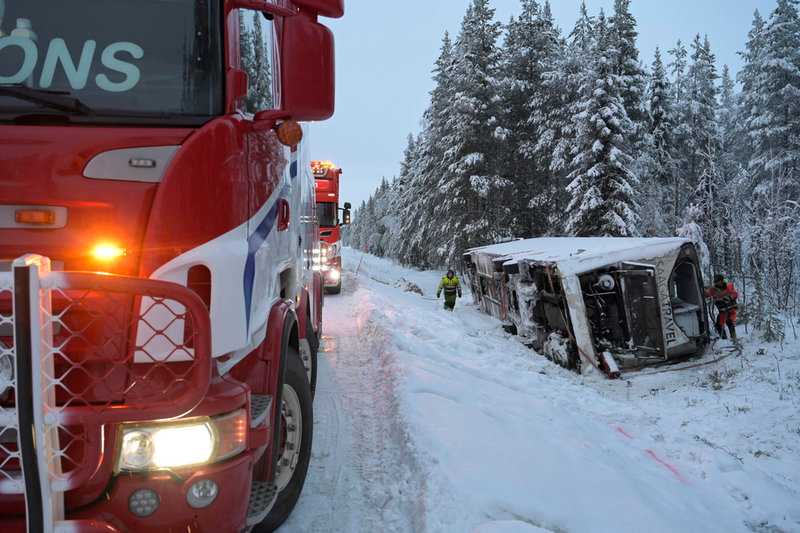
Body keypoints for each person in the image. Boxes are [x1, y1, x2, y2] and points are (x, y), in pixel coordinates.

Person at [707, 273, 739, 343]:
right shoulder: (713, 289)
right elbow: (706, 293)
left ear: (722, 281)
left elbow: (735, 294)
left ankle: (734, 339)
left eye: (718, 282)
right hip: (722, 311)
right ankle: (724, 340)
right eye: (716, 282)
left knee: (729, 321)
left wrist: (729, 297)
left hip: (731, 309)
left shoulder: (729, 286)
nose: (717, 283)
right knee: (718, 325)